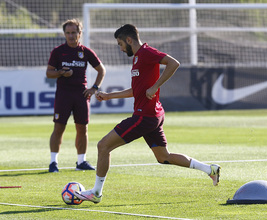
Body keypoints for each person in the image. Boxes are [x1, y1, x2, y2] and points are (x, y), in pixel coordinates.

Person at [75, 24, 220, 203]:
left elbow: (174, 63)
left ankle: (96, 193)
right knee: (163, 157)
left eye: (120, 44)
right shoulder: (137, 58)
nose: (120, 48)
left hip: (145, 116)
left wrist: (156, 86)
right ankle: (210, 169)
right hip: (153, 115)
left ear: (129, 40)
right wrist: (109, 96)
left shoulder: (146, 52)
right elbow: (137, 90)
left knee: (103, 146)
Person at [46, 19, 106, 172]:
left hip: (81, 95)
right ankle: (53, 163)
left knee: (82, 129)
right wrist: (61, 72)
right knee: (59, 127)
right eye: (68, 33)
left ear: (80, 34)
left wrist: (94, 88)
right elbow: (49, 73)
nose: (71, 36)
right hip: (63, 95)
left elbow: (101, 70)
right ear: (64, 34)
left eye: (74, 33)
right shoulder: (58, 51)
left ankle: (81, 162)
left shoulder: (86, 51)